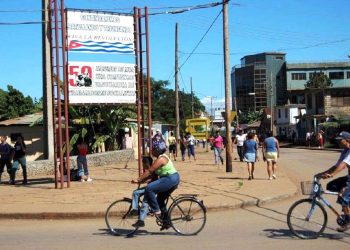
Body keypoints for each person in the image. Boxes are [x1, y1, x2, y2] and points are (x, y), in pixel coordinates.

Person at [131, 140, 180, 229]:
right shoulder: (158, 159)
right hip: (169, 179)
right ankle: (166, 222)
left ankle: (157, 211)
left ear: (157, 150)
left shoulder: (161, 159)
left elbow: (150, 171)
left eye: (153, 149)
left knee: (149, 188)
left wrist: (138, 179)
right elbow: (152, 175)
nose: (152, 150)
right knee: (160, 200)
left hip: (170, 179)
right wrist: (141, 181)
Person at [316, 131, 350, 232]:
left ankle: (348, 221)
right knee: (331, 185)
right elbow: (336, 166)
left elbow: (343, 165)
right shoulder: (344, 151)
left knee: (343, 196)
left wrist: (332, 174)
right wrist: (322, 174)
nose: (339, 143)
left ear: (348, 140)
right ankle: (346, 205)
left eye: (341, 141)